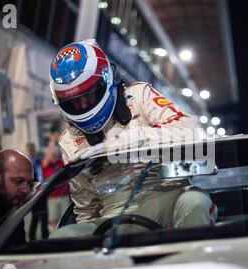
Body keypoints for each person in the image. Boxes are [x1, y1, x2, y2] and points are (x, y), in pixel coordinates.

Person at [48, 39, 217, 238]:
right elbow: (86, 208)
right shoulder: (69, 140)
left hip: (166, 196)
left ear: (105, 81)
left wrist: (136, 139)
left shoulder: (139, 96)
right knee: (62, 237)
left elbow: (189, 131)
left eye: (89, 94)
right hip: (112, 216)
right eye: (74, 101)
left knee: (195, 202)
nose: (83, 103)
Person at [40, 123, 70, 232]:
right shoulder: (46, 165)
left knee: (65, 221)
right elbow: (47, 158)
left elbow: (65, 152)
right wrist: (52, 141)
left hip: (64, 194)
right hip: (52, 196)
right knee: (53, 223)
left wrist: (59, 139)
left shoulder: (61, 162)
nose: (52, 153)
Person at [26, 142, 48, 240]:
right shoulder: (28, 161)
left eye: (33, 148)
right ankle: (32, 238)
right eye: (30, 149)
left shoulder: (36, 159)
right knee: (36, 216)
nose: (32, 150)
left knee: (44, 216)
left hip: (41, 190)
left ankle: (44, 236)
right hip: (34, 192)